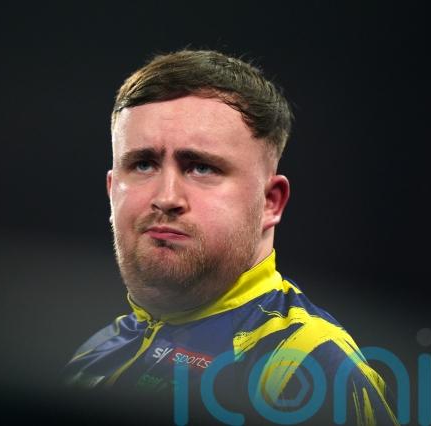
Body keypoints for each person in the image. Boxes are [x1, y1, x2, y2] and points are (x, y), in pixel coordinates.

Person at [63, 50, 399, 425]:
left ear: (270, 202)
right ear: (112, 190)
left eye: (201, 167)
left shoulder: (310, 369)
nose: (166, 197)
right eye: (143, 164)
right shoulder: (95, 354)